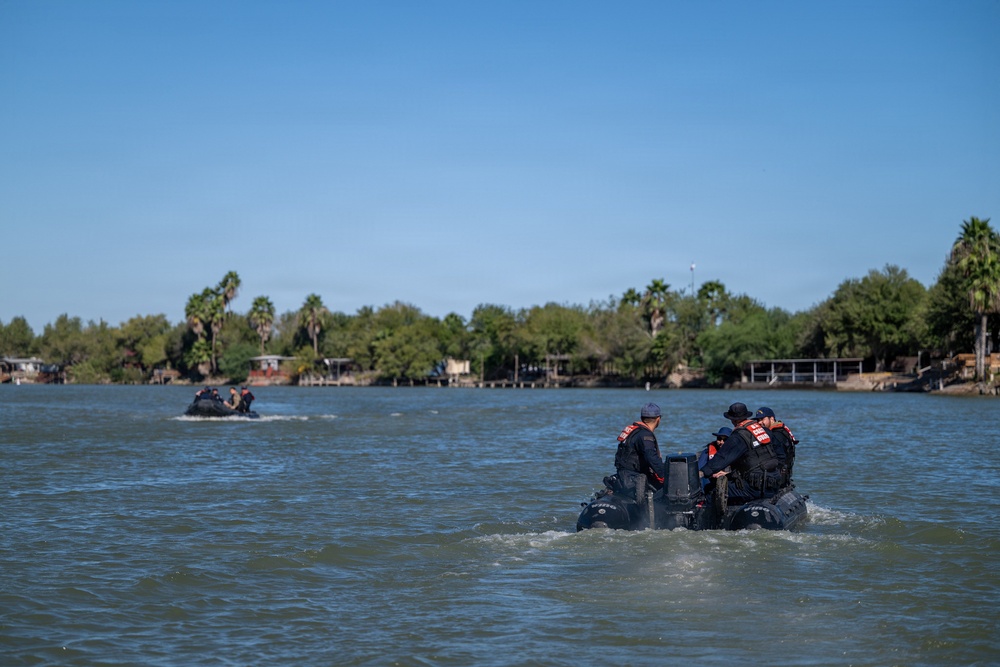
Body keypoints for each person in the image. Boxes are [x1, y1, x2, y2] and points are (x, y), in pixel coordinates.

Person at [700, 402, 784, 503]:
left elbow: (722, 458)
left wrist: (703, 472)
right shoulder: (764, 430)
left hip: (754, 488)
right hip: (774, 483)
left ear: (732, 420)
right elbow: (780, 453)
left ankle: (714, 518)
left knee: (711, 491)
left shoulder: (739, 436)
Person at [613, 402, 666, 499]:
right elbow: (651, 456)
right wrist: (665, 475)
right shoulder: (645, 435)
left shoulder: (634, 431)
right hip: (634, 478)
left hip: (624, 475)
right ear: (658, 419)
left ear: (642, 418)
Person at [753, 406, 798, 481]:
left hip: (778, 476)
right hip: (783, 474)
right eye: (758, 420)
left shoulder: (777, 435)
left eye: (762, 419)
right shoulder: (780, 431)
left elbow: (780, 458)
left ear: (771, 419)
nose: (759, 423)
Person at [698, 426, 731, 491]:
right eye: (719, 439)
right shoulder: (707, 452)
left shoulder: (737, 452)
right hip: (711, 481)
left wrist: (727, 474)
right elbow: (700, 469)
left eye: (725, 440)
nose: (721, 442)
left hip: (729, 481)